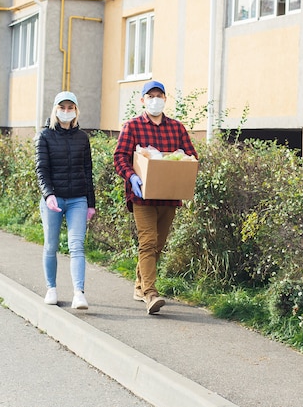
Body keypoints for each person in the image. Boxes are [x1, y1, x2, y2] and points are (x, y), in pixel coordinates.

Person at [114, 80, 198, 315]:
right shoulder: (132, 127)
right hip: (142, 197)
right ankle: (151, 293)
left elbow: (191, 155)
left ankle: (140, 285)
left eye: (158, 95)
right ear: (142, 100)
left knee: (158, 245)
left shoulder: (177, 128)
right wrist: (131, 177)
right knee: (148, 242)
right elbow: (120, 157)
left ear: (165, 99)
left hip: (169, 196)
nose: (154, 100)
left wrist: (182, 162)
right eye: (150, 96)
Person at [35, 91, 96, 309]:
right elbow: (41, 169)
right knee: (51, 245)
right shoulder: (44, 136)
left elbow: (88, 171)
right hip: (53, 199)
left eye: (71, 108)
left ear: (76, 111)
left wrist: (91, 203)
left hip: (77, 199)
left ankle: (79, 293)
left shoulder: (82, 138)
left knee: (76, 245)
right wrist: (48, 194)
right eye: (63, 108)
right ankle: (51, 288)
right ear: (55, 110)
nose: (66, 112)